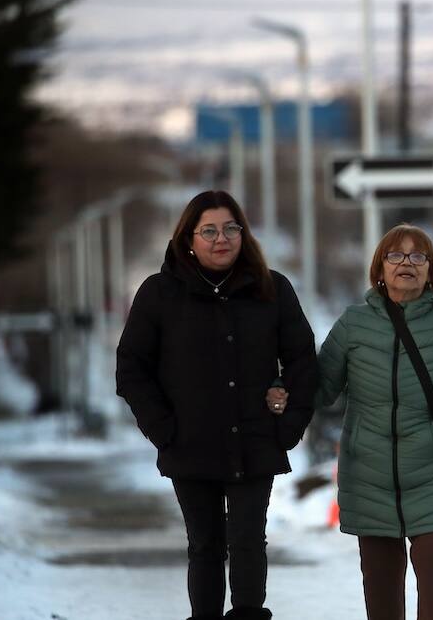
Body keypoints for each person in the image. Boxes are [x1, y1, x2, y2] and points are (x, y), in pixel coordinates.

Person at [116, 190, 318, 620]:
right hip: (189, 442)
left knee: (248, 541)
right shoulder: (159, 293)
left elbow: (302, 360)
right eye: (208, 230)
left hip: (256, 439)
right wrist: (162, 429)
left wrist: (289, 425)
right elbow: (131, 368)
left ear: (243, 234)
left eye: (230, 228)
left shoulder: (272, 289)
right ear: (188, 238)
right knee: (205, 545)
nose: (221, 238)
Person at [278, 223, 433, 620]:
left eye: (418, 256)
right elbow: (321, 388)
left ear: (430, 270)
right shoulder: (354, 324)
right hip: (369, 473)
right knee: (380, 594)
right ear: (380, 268)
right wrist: (281, 385)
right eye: (396, 255)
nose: (406, 263)